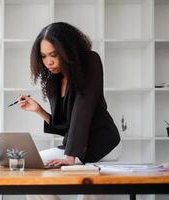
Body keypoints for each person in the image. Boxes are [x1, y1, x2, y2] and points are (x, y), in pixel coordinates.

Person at [17, 22, 123, 200]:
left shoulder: (90, 61)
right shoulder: (54, 79)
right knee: (30, 170)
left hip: (103, 144)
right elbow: (65, 125)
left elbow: (84, 109)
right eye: (43, 56)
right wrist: (39, 110)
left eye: (54, 55)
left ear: (68, 50)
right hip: (76, 147)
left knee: (87, 193)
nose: (48, 62)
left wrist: (71, 155)